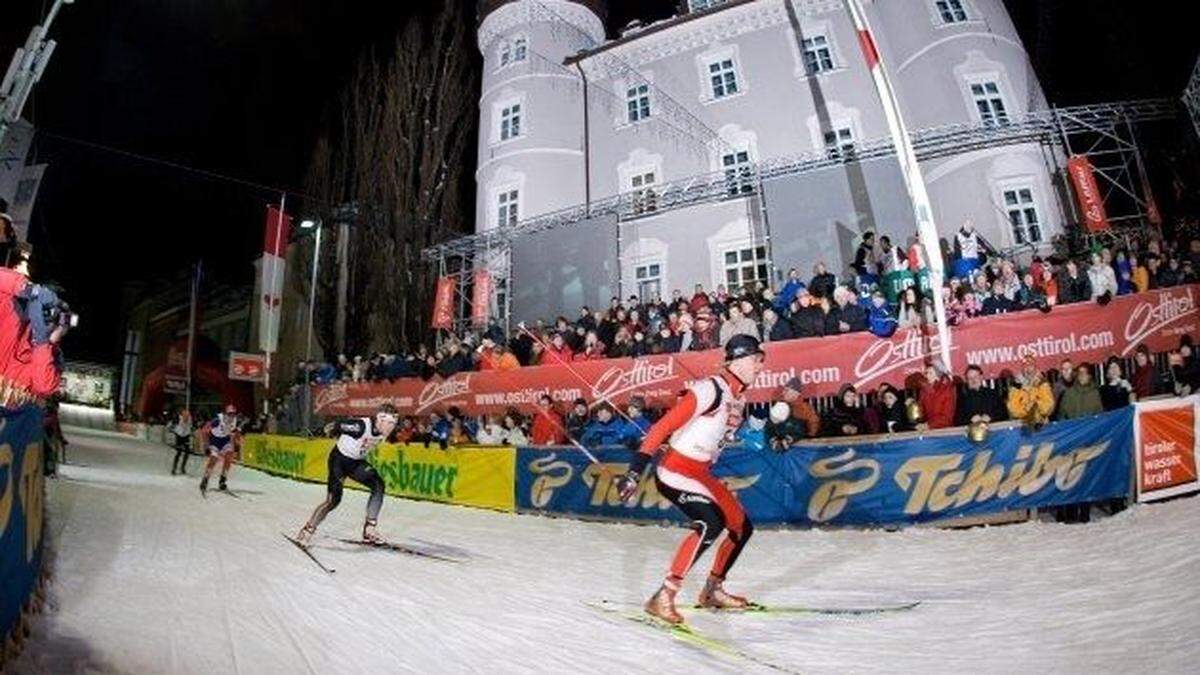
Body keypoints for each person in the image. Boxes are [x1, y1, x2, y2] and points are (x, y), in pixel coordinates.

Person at [614, 335, 767, 624]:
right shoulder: (711, 389)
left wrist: (754, 435)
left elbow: (721, 435)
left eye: (761, 361)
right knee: (712, 521)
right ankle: (664, 596)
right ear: (735, 361)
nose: (760, 366)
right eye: (755, 360)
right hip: (675, 470)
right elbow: (661, 428)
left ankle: (712, 590)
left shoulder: (739, 398)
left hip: (700, 472)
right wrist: (634, 473)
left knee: (741, 527)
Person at [295, 403, 399, 547]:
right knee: (333, 501)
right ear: (380, 420)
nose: (391, 427)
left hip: (356, 463)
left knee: (378, 484)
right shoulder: (361, 426)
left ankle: (369, 530)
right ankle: (307, 530)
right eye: (388, 423)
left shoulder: (384, 431)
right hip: (339, 461)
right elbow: (337, 425)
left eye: (393, 424)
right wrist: (322, 430)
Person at [199, 404, 243, 495]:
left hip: (225, 440)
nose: (231, 416)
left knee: (229, 456)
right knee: (213, 459)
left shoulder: (235, 420)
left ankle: (222, 480)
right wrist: (206, 446)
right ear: (226, 413)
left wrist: (237, 444)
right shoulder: (217, 420)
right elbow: (204, 431)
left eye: (233, 414)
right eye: (229, 414)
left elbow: (236, 432)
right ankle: (206, 478)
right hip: (214, 440)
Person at [1007, 356, 1055, 429]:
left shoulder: (1042, 383)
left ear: (1035, 367)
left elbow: (1049, 405)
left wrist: (1035, 407)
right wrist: (1026, 410)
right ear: (1022, 368)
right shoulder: (1016, 386)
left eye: (1031, 365)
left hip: (1041, 422)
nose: (1028, 368)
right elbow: (1012, 408)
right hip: (1023, 424)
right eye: (1025, 365)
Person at [917, 361, 957, 430]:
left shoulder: (947, 389)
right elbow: (921, 412)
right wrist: (912, 405)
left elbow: (947, 417)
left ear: (938, 376)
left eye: (930, 373)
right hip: (929, 429)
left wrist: (929, 425)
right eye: (926, 373)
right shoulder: (924, 390)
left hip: (944, 430)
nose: (927, 376)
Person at [169, 409, 194, 475]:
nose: (186, 418)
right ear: (182, 415)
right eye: (185, 416)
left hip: (186, 436)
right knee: (179, 452)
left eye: (188, 416)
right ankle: (174, 468)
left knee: (187, 452)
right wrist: (172, 429)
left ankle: (183, 467)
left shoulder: (190, 419)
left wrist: (191, 433)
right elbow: (171, 426)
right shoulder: (178, 419)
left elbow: (191, 427)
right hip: (179, 436)